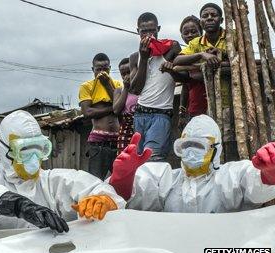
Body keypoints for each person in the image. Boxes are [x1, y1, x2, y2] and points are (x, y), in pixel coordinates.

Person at [0, 110, 124, 233]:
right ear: (6, 151)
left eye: (39, 150)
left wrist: (104, 198)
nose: (34, 159)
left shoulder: (50, 182)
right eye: (25, 151)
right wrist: (19, 206)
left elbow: (87, 184)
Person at [109, 115, 275, 212]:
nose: (190, 152)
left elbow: (254, 184)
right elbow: (134, 196)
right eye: (185, 145)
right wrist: (124, 178)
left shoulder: (230, 177)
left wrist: (269, 174)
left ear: (216, 150)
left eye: (198, 145)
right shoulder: (165, 180)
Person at [173, 3, 236, 161]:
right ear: (201, 21)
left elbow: (241, 57)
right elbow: (178, 61)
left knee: (229, 140)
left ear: (221, 19)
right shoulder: (196, 43)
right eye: (205, 16)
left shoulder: (231, 36)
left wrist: (222, 55)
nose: (209, 18)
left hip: (230, 100)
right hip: (205, 103)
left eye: (213, 15)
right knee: (207, 142)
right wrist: (202, 55)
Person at [129, 12, 182, 162]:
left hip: (161, 114)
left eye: (152, 30)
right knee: (139, 160)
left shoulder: (169, 49)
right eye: (143, 31)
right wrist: (144, 59)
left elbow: (177, 49)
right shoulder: (135, 57)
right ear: (137, 31)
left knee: (153, 159)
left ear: (158, 29)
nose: (148, 35)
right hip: (139, 115)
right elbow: (135, 90)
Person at [79, 53, 123, 180]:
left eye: (105, 68)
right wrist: (112, 109)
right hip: (99, 142)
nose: (102, 72)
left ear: (110, 68)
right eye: (99, 69)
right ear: (93, 69)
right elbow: (87, 112)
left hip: (117, 141)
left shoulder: (116, 85)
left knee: (119, 180)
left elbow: (120, 110)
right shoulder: (87, 86)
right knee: (95, 181)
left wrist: (106, 85)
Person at [177, 16, 207, 130]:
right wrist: (182, 114)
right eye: (186, 33)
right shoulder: (184, 56)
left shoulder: (208, 51)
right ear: (182, 36)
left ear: (201, 32)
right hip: (194, 110)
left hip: (212, 107)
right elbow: (185, 87)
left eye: (194, 32)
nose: (190, 35)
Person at [113, 58, 138, 153]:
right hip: (126, 131)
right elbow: (116, 110)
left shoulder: (142, 89)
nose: (126, 76)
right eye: (123, 74)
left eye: (129, 72)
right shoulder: (119, 91)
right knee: (125, 161)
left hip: (142, 128)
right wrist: (126, 88)